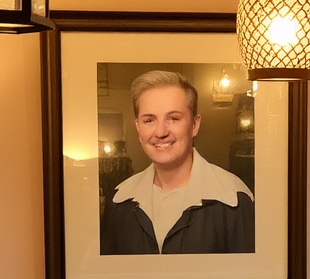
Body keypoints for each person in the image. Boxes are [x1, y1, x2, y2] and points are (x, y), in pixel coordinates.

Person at [100, 70, 255, 255]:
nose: (160, 132)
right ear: (138, 128)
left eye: (173, 118)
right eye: (149, 120)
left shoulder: (235, 200)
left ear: (194, 125)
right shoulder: (119, 201)